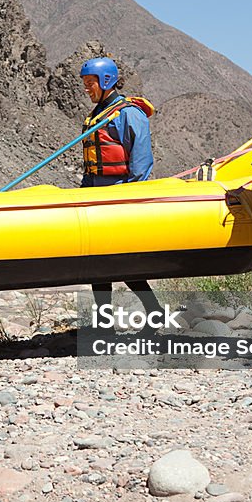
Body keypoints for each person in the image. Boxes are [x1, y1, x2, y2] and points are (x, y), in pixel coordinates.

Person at [79, 57, 164, 320]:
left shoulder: (128, 113)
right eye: (85, 83)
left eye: (90, 83)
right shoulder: (97, 115)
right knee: (97, 265)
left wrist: (129, 199)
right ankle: (106, 323)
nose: (86, 89)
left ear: (106, 82)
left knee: (121, 263)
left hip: (119, 198)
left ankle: (154, 312)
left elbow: (141, 163)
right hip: (97, 197)